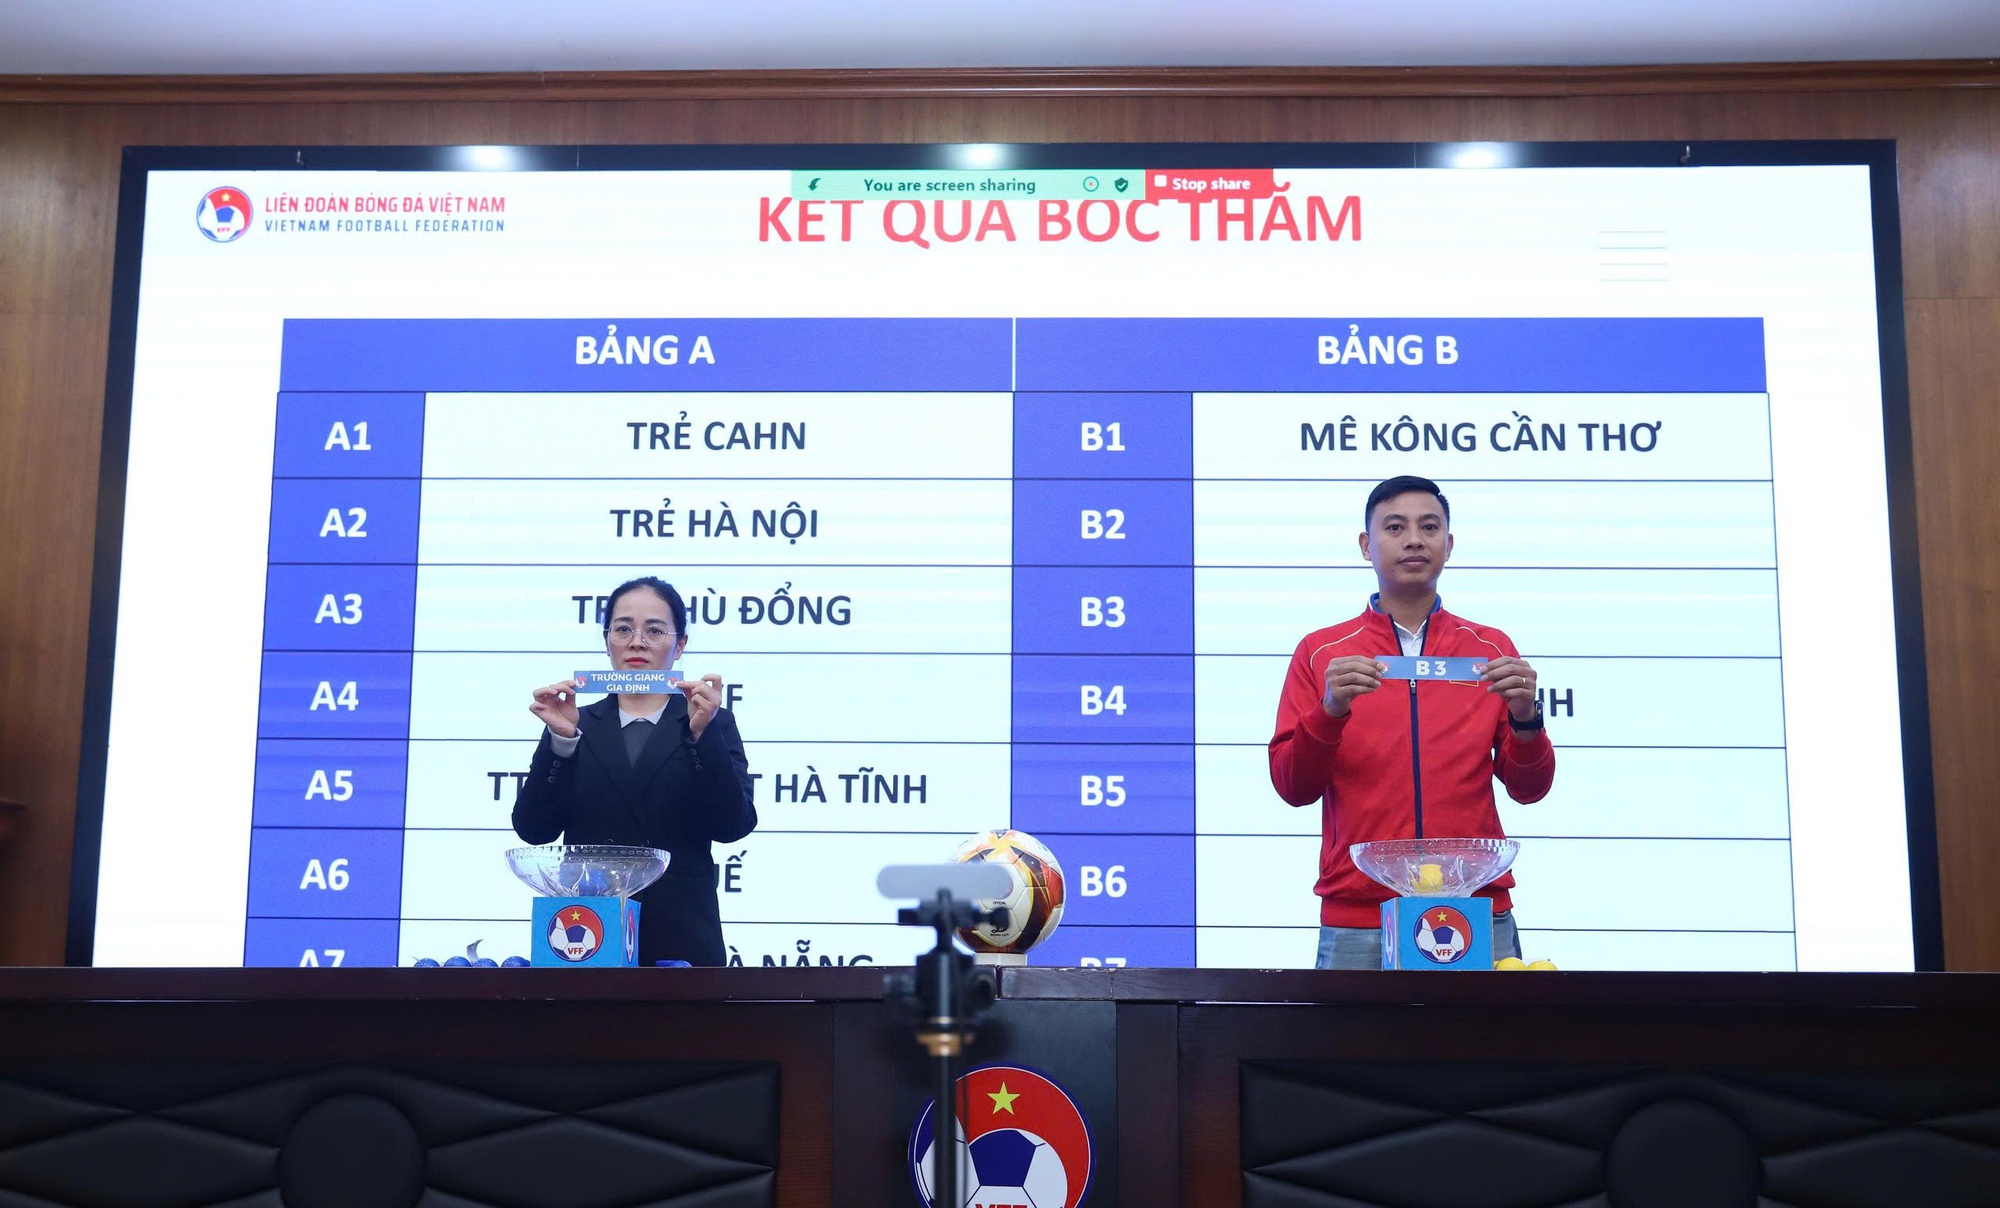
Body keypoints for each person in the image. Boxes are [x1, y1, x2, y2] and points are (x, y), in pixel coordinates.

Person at [1268, 476, 1555, 970]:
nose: (1414, 540)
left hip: (1478, 909)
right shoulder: (1322, 653)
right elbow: (1293, 787)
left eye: (1429, 527)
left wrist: (1526, 719)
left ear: (1449, 544)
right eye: (1395, 527)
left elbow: (1530, 790)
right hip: (1358, 916)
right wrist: (1329, 711)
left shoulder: (1490, 649)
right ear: (1366, 545)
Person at [513, 576, 756, 967]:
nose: (637, 642)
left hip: (683, 941)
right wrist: (561, 742)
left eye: (654, 630)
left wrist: (701, 736)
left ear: (680, 645)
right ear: (607, 640)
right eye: (623, 629)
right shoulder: (573, 722)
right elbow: (533, 829)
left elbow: (733, 825)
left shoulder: (712, 723)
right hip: (587, 940)